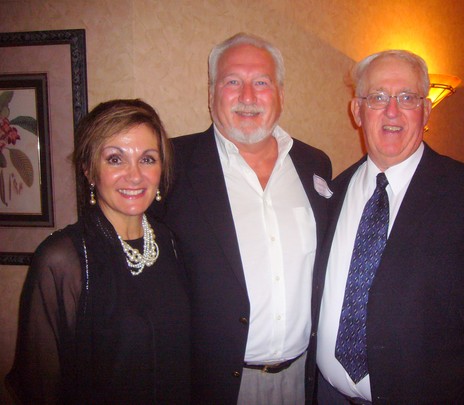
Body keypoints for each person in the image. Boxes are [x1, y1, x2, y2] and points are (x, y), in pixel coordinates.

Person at [312, 50, 464, 403]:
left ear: (426, 110)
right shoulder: (332, 193)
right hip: (327, 395)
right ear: (357, 111)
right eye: (378, 97)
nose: (392, 111)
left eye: (407, 97)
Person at [152, 33, 332, 404]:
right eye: (233, 82)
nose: (248, 97)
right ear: (211, 94)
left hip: (304, 378)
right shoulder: (171, 165)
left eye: (261, 83)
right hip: (217, 383)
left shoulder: (314, 164)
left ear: (280, 94)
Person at [6, 99, 190, 404]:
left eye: (147, 159)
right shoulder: (62, 260)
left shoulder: (170, 242)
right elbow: (40, 385)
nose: (134, 175)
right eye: (115, 159)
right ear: (89, 170)